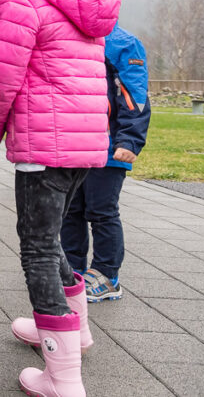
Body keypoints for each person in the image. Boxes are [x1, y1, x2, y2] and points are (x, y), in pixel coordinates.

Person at [0, 0, 121, 396]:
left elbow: (0, 74)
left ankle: (62, 377)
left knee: (36, 248)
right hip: (83, 146)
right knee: (52, 237)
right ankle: (72, 331)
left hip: (44, 146)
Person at [60, 25, 151, 302]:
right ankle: (72, 270)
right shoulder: (67, 35)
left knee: (101, 210)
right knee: (70, 209)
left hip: (109, 146)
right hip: (73, 143)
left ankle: (107, 274)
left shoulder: (123, 43)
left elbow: (133, 94)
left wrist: (130, 140)